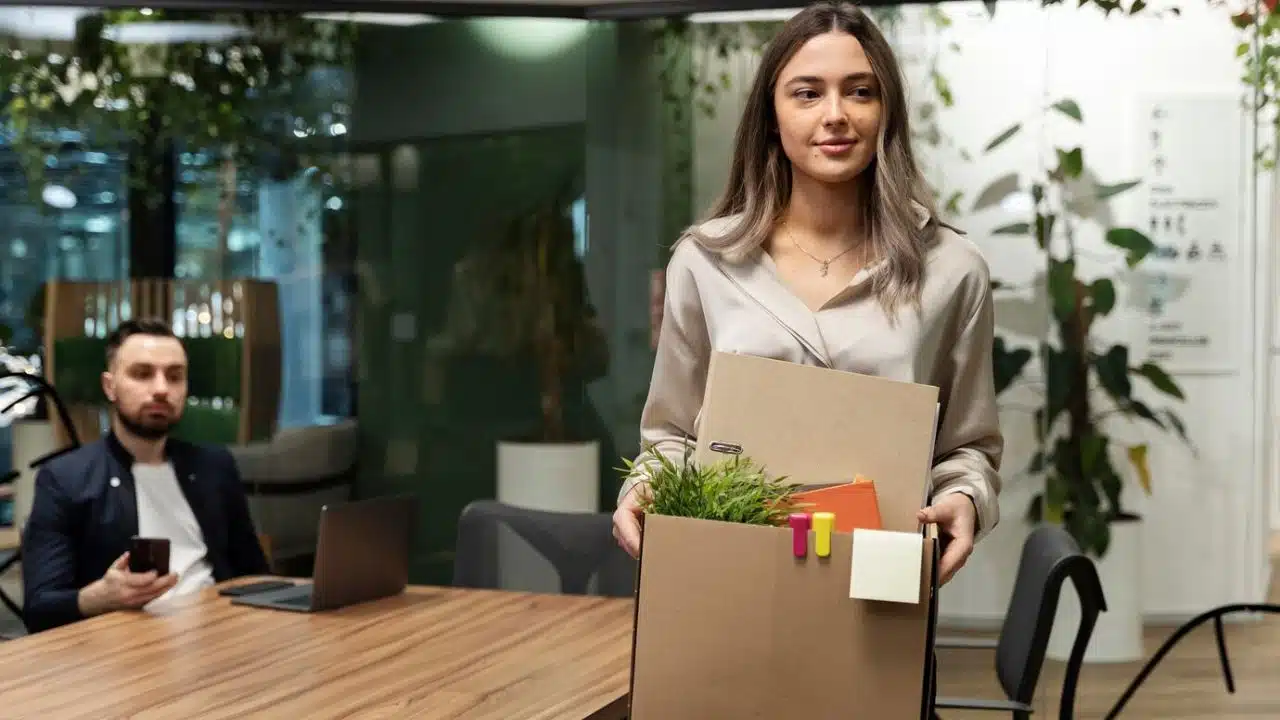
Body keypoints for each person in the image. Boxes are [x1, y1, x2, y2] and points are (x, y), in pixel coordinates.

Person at [612, 1, 1002, 587]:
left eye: (860, 92)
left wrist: (965, 499)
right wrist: (644, 487)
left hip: (882, 574)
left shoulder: (952, 268)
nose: (836, 115)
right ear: (772, 115)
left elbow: (969, 448)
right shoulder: (706, 262)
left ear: (887, 111)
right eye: (807, 93)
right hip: (730, 571)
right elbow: (672, 434)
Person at [22, 319, 269, 633]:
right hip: (126, 644)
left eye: (175, 376)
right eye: (142, 374)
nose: (162, 389)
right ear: (110, 386)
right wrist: (100, 597)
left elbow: (255, 573)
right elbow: (39, 609)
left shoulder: (214, 466)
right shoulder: (65, 479)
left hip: (220, 630)